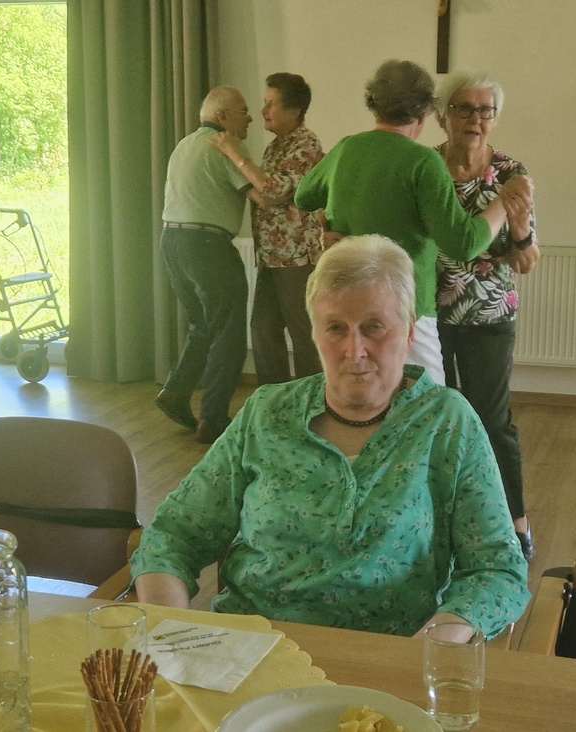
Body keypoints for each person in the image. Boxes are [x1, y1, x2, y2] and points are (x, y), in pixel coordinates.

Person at [132, 235, 530, 640]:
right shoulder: (267, 413)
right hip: (252, 651)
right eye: (336, 328)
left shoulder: (446, 422)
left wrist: (431, 649)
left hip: (390, 657)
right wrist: (170, 638)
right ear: (314, 333)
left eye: (374, 327)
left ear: (410, 331)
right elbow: (173, 535)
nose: (354, 351)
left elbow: (497, 569)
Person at [294, 59, 533, 385]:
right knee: (426, 402)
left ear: (374, 105)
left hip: (350, 303)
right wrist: (503, 202)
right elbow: (465, 243)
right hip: (406, 307)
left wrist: (335, 221)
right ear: (426, 113)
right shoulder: (424, 161)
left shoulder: (347, 148)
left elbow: (304, 197)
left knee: (365, 395)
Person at [434, 70, 540, 560]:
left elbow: (527, 260)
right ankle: (441, 519)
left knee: (492, 421)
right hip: (427, 315)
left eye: (485, 110)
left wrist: (519, 229)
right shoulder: (426, 167)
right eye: (463, 108)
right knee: (433, 419)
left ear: (494, 119)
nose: (474, 119)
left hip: (489, 315)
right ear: (444, 115)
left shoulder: (512, 173)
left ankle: (515, 521)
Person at [210, 72, 324, 384]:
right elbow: (264, 195)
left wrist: (234, 153)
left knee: (303, 335)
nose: (263, 111)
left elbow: (273, 190)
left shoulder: (307, 144)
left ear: (295, 110)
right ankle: (272, 400)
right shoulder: (274, 148)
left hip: (297, 259)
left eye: (271, 104)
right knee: (262, 329)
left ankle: (310, 401)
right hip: (270, 257)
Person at [154, 86, 253, 444]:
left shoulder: (184, 145)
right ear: (223, 116)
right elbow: (258, 192)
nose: (250, 118)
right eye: (243, 111)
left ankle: (176, 393)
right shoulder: (226, 146)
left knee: (202, 325)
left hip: (171, 241)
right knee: (228, 331)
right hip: (208, 245)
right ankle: (212, 418)